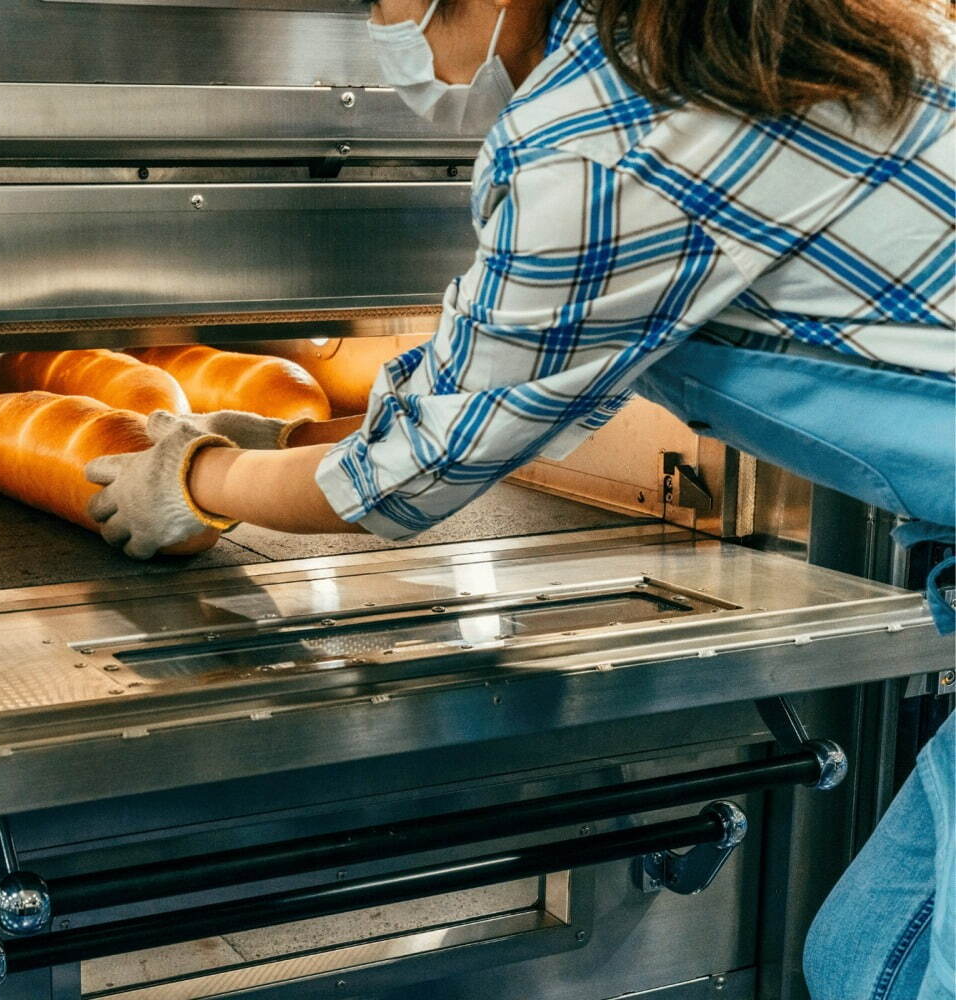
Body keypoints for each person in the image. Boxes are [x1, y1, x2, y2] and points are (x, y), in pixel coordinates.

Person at [85, 0, 955, 996]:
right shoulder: (757, 39)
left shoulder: (599, 135)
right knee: (865, 960)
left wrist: (199, 479)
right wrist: (286, 437)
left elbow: (413, 471)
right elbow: (487, 366)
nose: (382, 20)